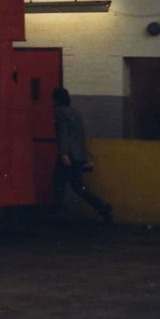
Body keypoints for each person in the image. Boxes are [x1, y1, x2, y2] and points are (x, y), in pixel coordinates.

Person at [52, 87, 113, 224]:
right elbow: (79, 135)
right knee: (78, 186)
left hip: (68, 155)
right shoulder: (76, 113)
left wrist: (64, 154)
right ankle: (102, 207)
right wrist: (85, 156)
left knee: (58, 184)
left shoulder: (59, 112)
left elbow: (63, 134)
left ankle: (59, 215)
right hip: (79, 155)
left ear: (56, 100)